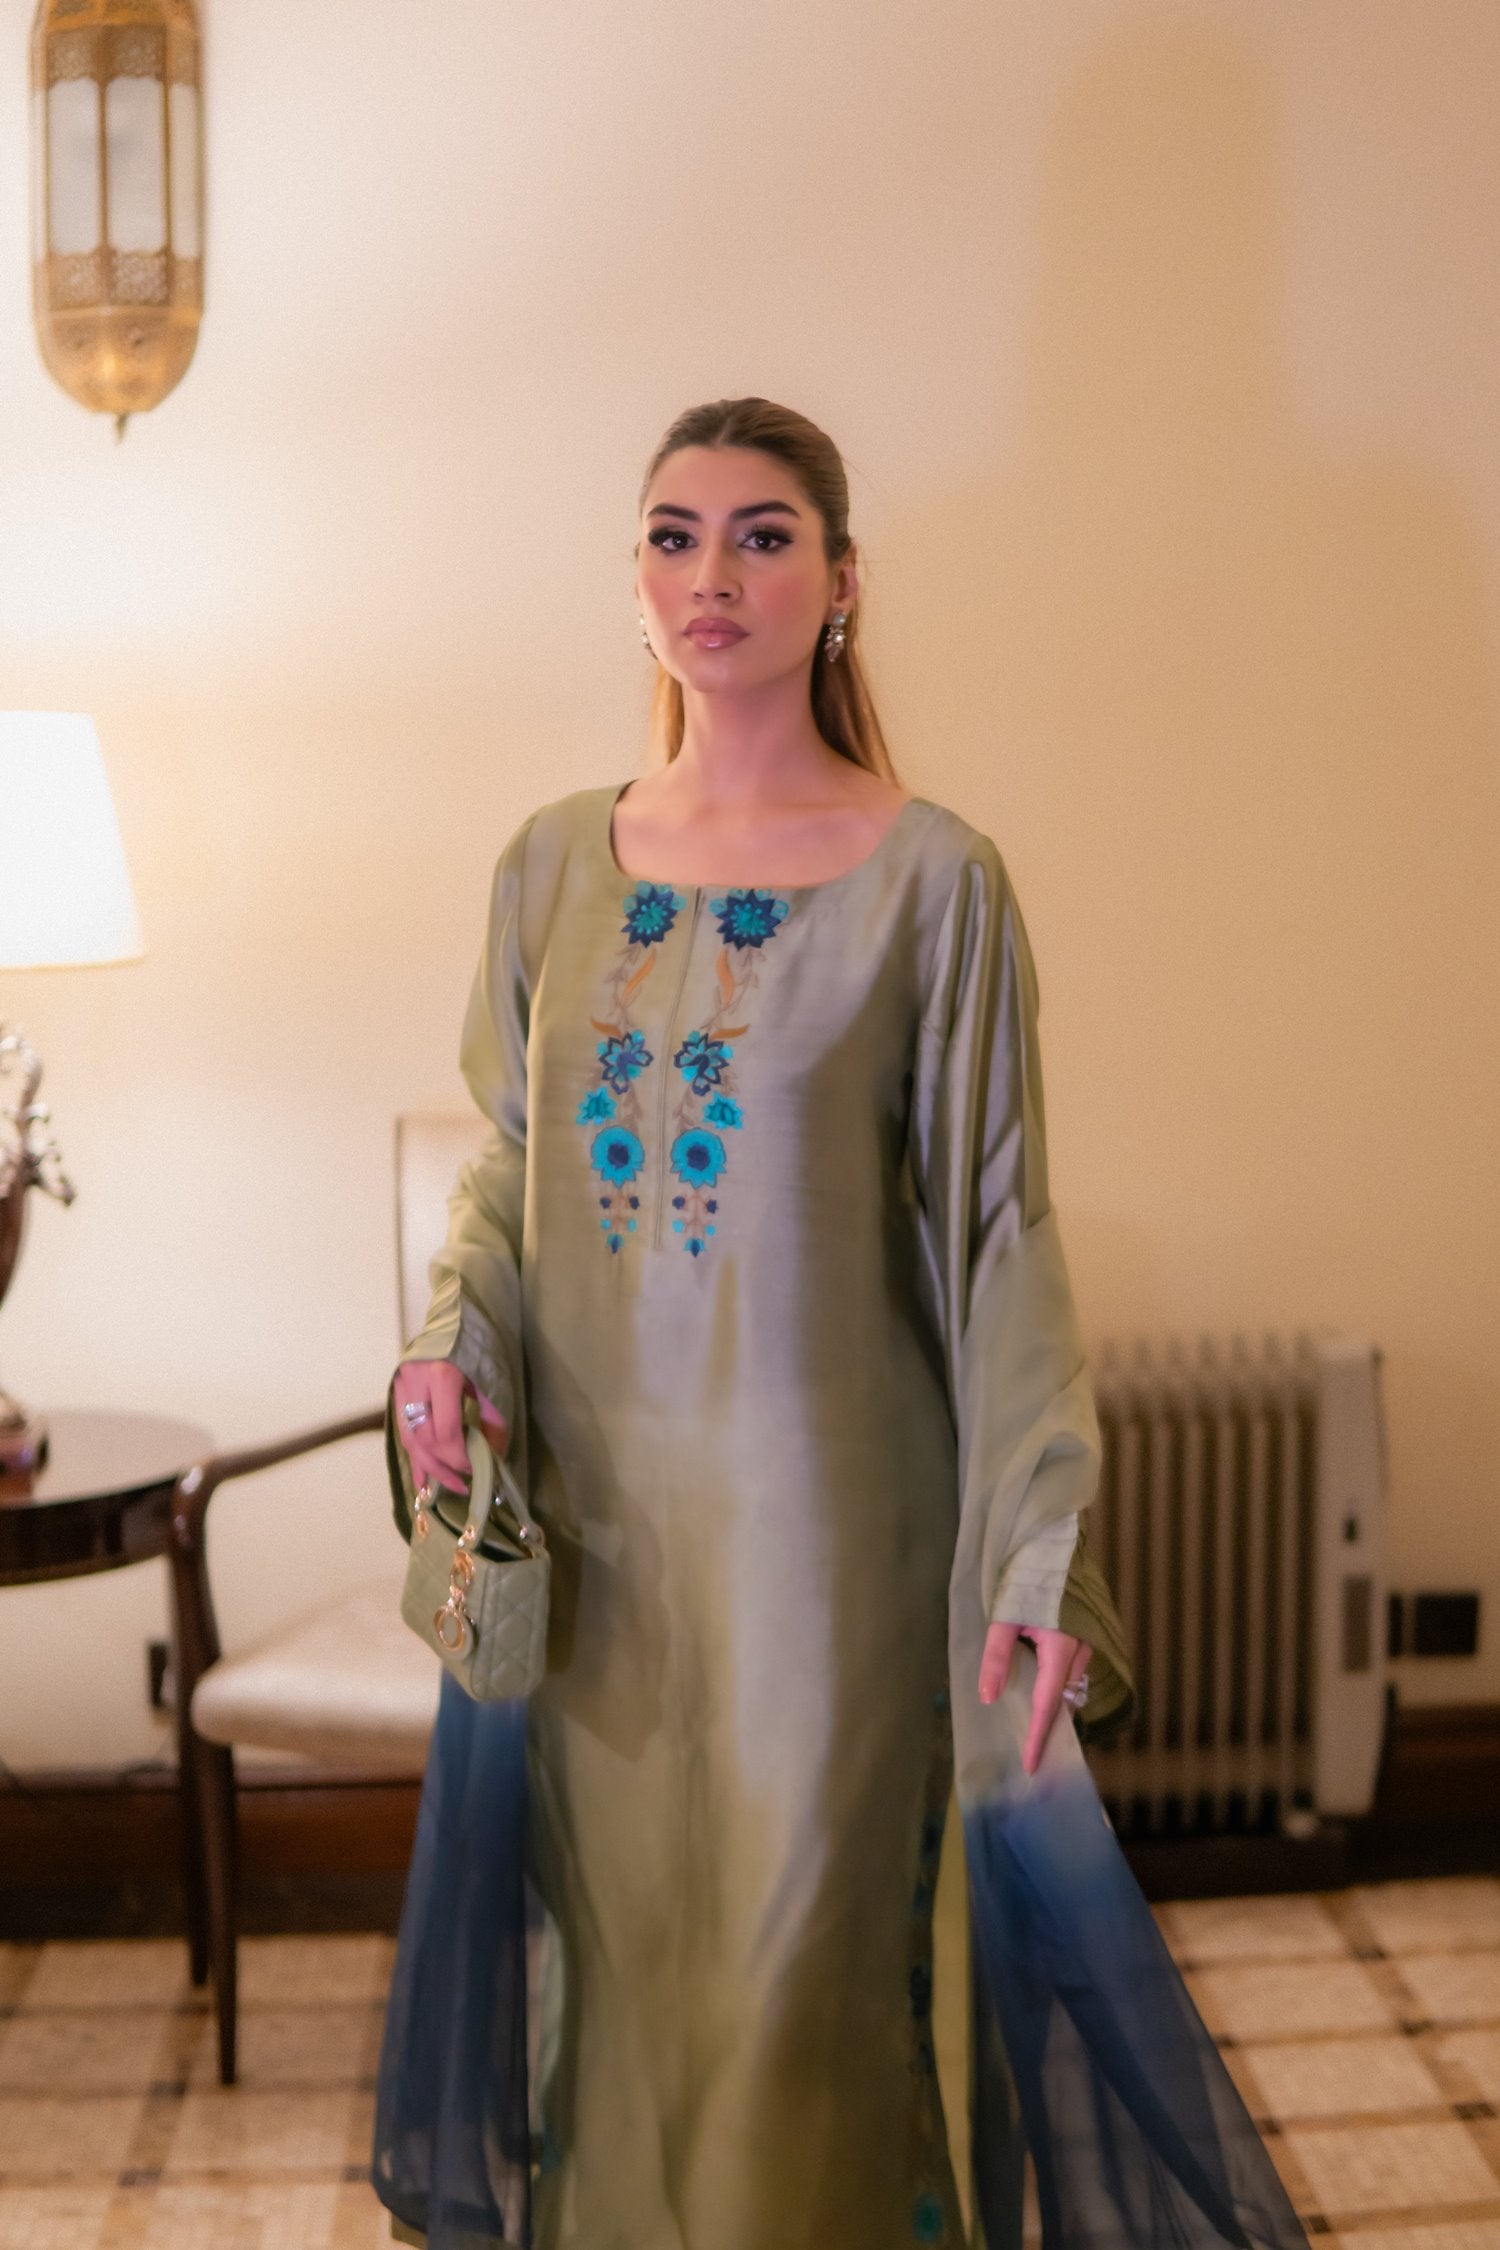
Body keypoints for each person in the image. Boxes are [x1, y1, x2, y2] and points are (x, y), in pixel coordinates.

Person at [371, 398, 1306, 2250]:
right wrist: (447, 1341)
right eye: (673, 535)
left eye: (763, 534)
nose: (711, 574)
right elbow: (511, 1165)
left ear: (843, 579)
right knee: (618, 2019)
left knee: (806, 2004)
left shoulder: (935, 882)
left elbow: (1001, 1240)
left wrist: (1038, 1547)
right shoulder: (550, 865)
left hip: (832, 1573)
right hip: (601, 1572)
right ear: (634, 585)